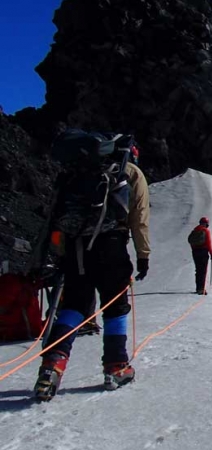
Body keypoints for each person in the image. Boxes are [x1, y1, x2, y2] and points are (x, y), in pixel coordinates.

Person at [35, 131, 150, 400]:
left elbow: (58, 213)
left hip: (75, 248)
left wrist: (59, 256)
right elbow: (140, 216)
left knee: (73, 305)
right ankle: (116, 366)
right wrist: (143, 254)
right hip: (110, 245)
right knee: (115, 305)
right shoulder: (130, 173)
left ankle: (51, 367)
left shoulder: (79, 173)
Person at [188, 217, 212, 295]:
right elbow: (208, 243)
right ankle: (201, 289)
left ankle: (198, 288)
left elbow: (190, 241)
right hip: (203, 252)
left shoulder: (195, 230)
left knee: (198, 270)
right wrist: (211, 253)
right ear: (207, 224)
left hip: (195, 252)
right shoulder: (206, 231)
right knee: (203, 271)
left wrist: (194, 249)